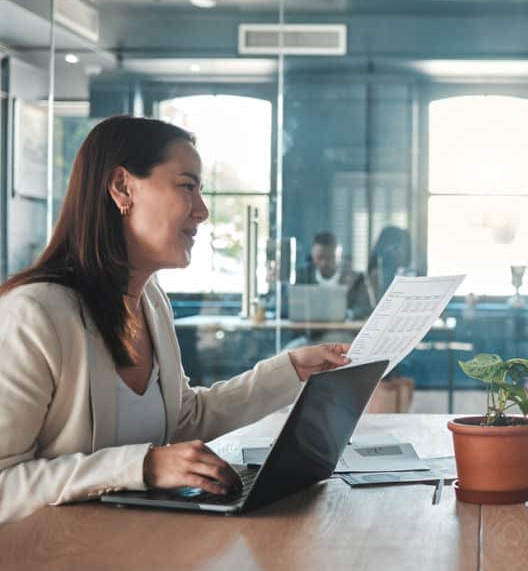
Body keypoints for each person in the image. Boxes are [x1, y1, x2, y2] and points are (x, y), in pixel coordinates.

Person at [0, 116, 351, 525]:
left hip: (135, 554)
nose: (202, 211)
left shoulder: (149, 300)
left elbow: (183, 420)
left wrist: (290, 370)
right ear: (121, 187)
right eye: (187, 186)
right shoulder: (33, 315)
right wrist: (141, 468)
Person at [347, 225, 413, 319]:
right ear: (380, 247)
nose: (395, 249)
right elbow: (358, 310)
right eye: (391, 244)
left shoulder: (412, 279)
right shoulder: (366, 280)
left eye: (399, 245)